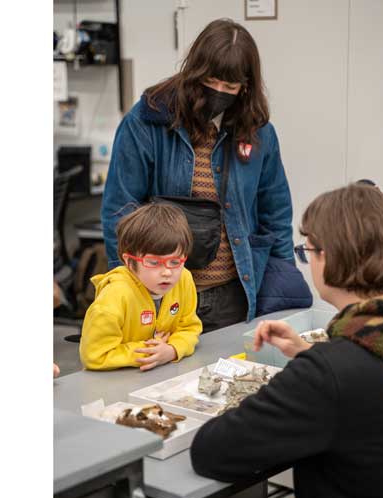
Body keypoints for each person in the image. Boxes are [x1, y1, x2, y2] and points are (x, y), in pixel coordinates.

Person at [190, 183, 383, 498]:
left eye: (308, 251)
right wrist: (310, 353)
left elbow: (212, 450)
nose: (308, 261)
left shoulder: (328, 374)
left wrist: (313, 368)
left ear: (330, 258)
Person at [100, 18, 302, 333]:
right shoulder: (147, 122)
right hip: (162, 296)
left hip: (233, 294)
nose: (219, 92)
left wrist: (283, 288)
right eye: (211, 81)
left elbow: (276, 213)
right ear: (194, 71)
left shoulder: (259, 131)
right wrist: (123, 289)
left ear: (245, 87)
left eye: (230, 87)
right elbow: (119, 210)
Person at [79, 203, 203, 371]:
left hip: (164, 376)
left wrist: (172, 349)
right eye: (154, 263)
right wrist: (149, 351)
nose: (167, 272)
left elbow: (189, 327)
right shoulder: (114, 297)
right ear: (130, 262)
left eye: (175, 262)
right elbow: (94, 355)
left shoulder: (183, 278)